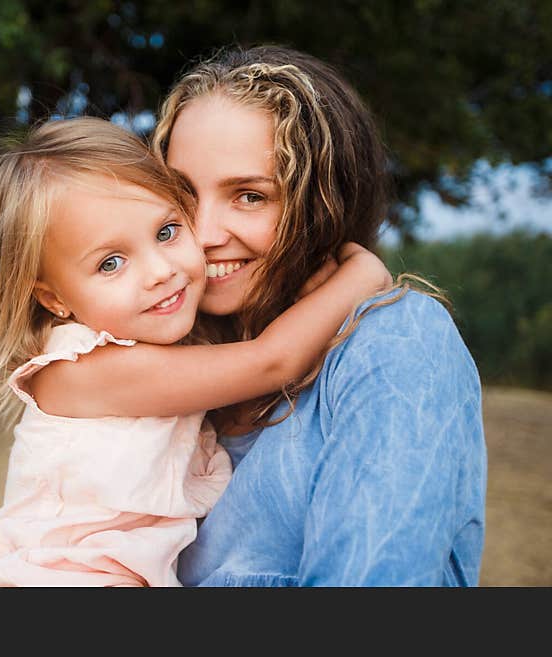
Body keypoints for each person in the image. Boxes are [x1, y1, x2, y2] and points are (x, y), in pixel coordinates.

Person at [0, 116, 392, 586]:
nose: (160, 271)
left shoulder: (150, 347)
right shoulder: (84, 369)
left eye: (166, 232)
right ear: (54, 299)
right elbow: (271, 361)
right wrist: (361, 275)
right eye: (111, 263)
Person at [151, 44, 487, 586]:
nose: (205, 234)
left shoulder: (396, 343)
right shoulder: (173, 368)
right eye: (182, 194)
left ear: (325, 203)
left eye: (250, 197)